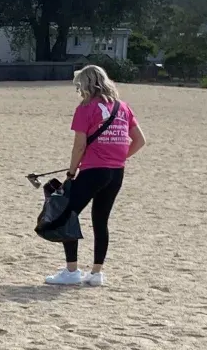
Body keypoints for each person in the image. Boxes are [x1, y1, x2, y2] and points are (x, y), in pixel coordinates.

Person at [45, 64, 146, 287]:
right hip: (116, 172)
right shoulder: (123, 107)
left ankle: (72, 271)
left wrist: (71, 172)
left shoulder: (85, 108)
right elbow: (140, 141)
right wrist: (118, 158)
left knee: (67, 215)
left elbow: (79, 145)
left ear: (86, 84)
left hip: (93, 170)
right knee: (101, 220)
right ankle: (96, 273)